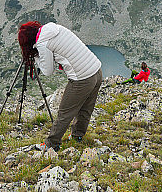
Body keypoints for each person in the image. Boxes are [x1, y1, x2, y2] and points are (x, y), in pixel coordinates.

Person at [18, 21, 102, 151]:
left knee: (65, 112)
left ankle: (52, 143)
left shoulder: (42, 43)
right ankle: (77, 136)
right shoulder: (54, 28)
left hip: (82, 78)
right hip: (96, 70)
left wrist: (35, 57)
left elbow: (48, 71)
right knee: (86, 108)